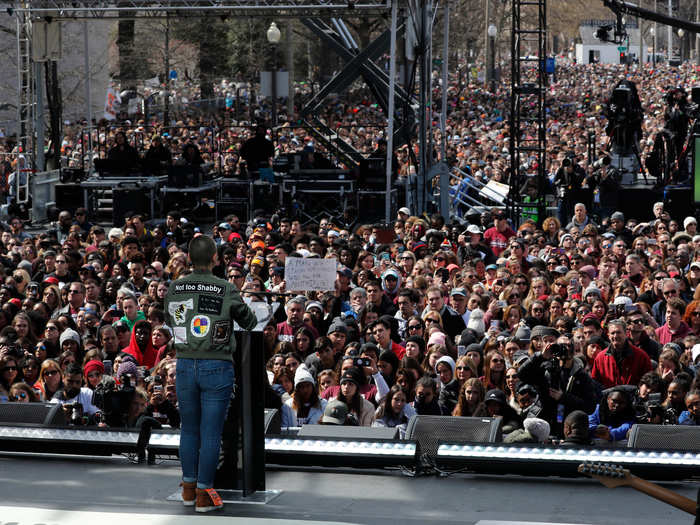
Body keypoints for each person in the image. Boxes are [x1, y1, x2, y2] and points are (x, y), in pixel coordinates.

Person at [164, 234, 256, 513]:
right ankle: (204, 493)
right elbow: (249, 321)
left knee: (189, 429)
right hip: (216, 365)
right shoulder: (225, 287)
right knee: (211, 432)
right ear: (215, 259)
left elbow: (169, 319)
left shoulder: (175, 286)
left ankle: (188, 490)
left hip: (184, 363)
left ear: (189, 259)